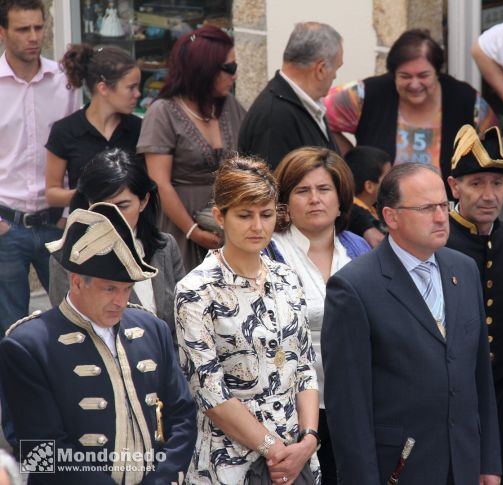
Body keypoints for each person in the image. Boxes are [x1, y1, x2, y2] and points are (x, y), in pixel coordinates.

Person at [322, 162, 501, 484]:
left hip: (464, 462)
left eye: (443, 205)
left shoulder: (464, 269)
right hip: (400, 467)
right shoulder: (353, 287)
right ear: (391, 217)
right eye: (426, 208)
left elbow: (479, 377)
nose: (440, 217)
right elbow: (348, 406)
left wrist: (489, 461)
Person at [0, 202, 197, 484]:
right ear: (78, 282)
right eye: (110, 289)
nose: (121, 301)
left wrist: (162, 480)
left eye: (127, 289)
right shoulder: (27, 345)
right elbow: (41, 449)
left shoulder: (152, 329)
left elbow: (182, 415)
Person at [175, 157, 321, 485]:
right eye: (245, 215)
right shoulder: (196, 290)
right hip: (231, 460)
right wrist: (273, 448)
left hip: (296, 455)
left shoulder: (287, 277)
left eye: (266, 215)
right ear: (219, 217)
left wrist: (308, 440)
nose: (258, 226)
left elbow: (305, 366)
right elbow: (210, 392)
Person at [266, 147, 369, 484]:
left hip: (357, 403)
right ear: (284, 201)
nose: (315, 199)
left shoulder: (358, 248)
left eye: (324, 189)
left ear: (341, 198)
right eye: (302, 190)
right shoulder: (269, 251)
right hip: (295, 411)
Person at [446, 125, 503, 485]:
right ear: (454, 187)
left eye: (497, 184)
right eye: (476, 183)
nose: (489, 195)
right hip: (452, 397)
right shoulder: (440, 241)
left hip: (498, 396)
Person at [325, 29, 496, 199]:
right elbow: (319, 111)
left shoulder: (465, 100)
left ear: (437, 72)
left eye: (423, 75)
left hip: (445, 215)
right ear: (393, 75)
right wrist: (351, 161)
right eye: (405, 76)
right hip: (380, 215)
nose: (414, 85)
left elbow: (491, 147)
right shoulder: (367, 94)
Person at [138, 25, 246, 271]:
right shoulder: (163, 112)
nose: (235, 75)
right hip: (181, 229)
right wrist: (193, 231)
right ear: (204, 68)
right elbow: (160, 184)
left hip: (229, 227)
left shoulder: (230, 106)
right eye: (229, 68)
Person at [48, 148, 185, 339]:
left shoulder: (165, 246)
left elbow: (182, 319)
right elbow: (69, 329)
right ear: (88, 204)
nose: (112, 216)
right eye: (102, 206)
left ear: (143, 201)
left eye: (122, 206)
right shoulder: (66, 257)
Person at [0, 0, 78, 333]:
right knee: (11, 331)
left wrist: (67, 215)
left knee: (72, 323)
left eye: (39, 27)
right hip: (7, 225)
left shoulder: (65, 82)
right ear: (2, 32)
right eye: (22, 29)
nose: (34, 37)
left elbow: (77, 149)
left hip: (57, 223)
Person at [46, 44, 142, 208]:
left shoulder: (138, 128)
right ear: (103, 88)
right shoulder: (65, 130)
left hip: (132, 229)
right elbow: (52, 193)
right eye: (131, 88)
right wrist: (90, 194)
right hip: (87, 228)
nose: (138, 94)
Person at [238, 21, 342, 168]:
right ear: (321, 69)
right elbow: (272, 186)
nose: (335, 76)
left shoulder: (304, 104)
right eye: (337, 68)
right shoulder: (274, 116)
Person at [344, 145, 392, 247]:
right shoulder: (357, 219)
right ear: (369, 186)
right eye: (387, 178)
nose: (393, 183)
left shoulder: (372, 210)